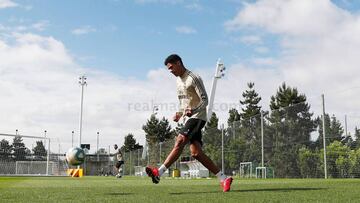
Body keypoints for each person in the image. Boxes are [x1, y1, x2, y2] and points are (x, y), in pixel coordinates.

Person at [146, 54, 233, 192]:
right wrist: (179, 114)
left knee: (180, 141)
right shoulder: (178, 81)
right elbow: (184, 103)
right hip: (189, 117)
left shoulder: (194, 78)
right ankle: (224, 178)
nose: (170, 71)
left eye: (171, 67)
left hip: (198, 116)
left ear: (179, 63)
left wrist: (193, 111)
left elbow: (205, 100)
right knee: (196, 153)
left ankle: (159, 172)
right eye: (168, 69)